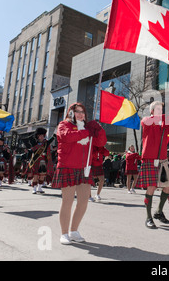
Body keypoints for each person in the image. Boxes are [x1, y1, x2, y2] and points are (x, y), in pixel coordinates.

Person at [52, 102, 106, 245]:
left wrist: (98, 129)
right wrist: (87, 132)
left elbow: (101, 142)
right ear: (71, 113)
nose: (81, 114)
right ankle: (64, 233)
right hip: (68, 167)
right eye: (77, 111)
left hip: (85, 169)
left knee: (83, 202)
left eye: (83, 112)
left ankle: (74, 231)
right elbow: (67, 137)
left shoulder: (88, 128)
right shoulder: (64, 124)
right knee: (67, 201)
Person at [139, 101, 169, 229]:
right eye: (157, 109)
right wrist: (158, 119)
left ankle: (158, 211)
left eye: (161, 109)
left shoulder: (164, 124)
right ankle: (148, 217)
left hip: (162, 159)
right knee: (151, 187)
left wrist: (167, 120)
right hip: (150, 159)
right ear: (152, 111)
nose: (160, 111)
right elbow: (144, 122)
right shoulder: (147, 121)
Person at [27, 128, 54, 194]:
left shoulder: (46, 143)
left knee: (42, 175)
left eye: (42, 135)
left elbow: (52, 139)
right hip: (36, 160)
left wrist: (55, 135)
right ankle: (34, 188)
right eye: (40, 135)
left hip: (43, 160)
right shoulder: (35, 142)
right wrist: (30, 131)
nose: (41, 137)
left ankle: (39, 188)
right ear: (37, 136)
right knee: (36, 175)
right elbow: (30, 138)